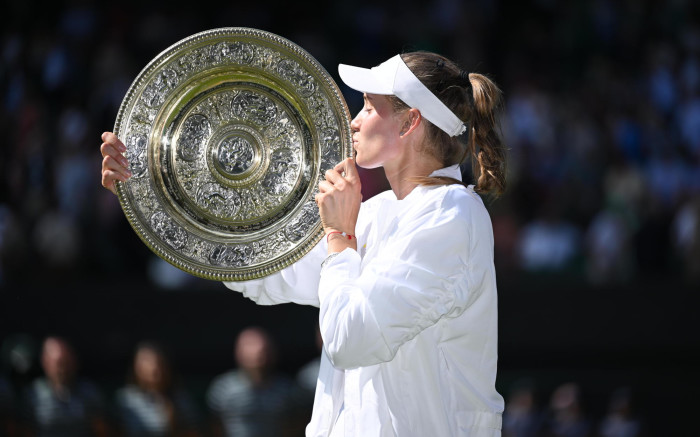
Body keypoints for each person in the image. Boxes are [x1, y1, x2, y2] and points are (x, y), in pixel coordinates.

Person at [101, 50, 507, 436]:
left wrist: (339, 236)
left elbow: (352, 340)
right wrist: (150, 183)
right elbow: (265, 267)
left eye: (368, 106)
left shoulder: (451, 214)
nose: (354, 120)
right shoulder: (379, 212)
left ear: (407, 123)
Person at [206, 326, 307, 437]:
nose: (257, 351)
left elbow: (295, 425)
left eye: (264, 347)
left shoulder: (287, 389)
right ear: (237, 351)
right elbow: (214, 426)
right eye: (249, 345)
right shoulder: (222, 388)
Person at [22, 336, 109, 437]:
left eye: (66, 362)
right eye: (59, 363)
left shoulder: (89, 391)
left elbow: (101, 430)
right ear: (45, 362)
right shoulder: (33, 394)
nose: (63, 369)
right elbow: (25, 431)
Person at [114, 341, 201, 437]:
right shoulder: (124, 400)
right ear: (136, 366)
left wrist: (173, 420)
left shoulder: (181, 399)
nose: (154, 367)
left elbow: (193, 432)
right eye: (147, 361)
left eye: (159, 361)